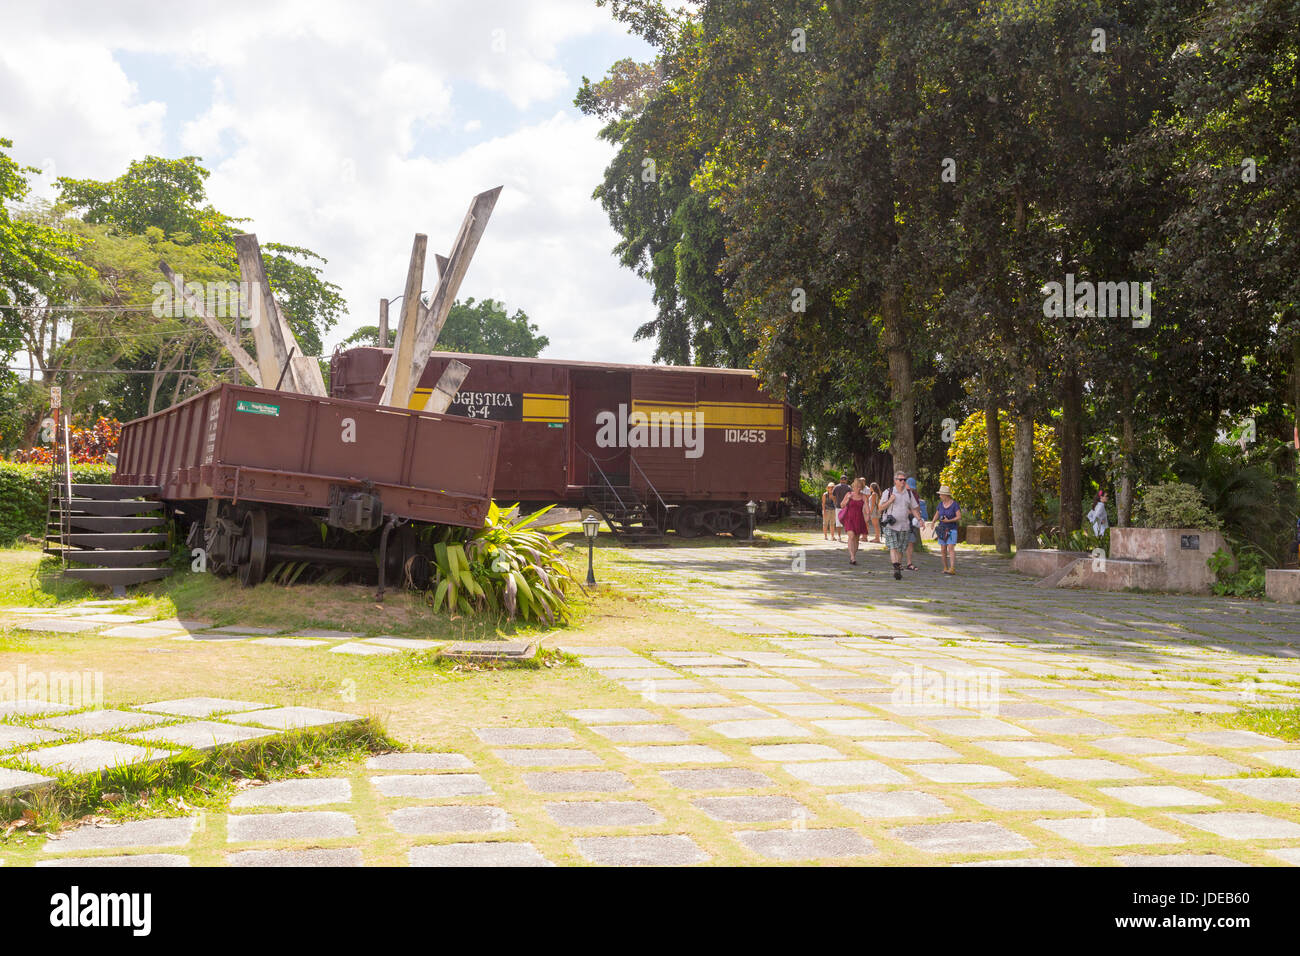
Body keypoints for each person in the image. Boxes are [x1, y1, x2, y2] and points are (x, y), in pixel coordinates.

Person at [879, 472, 924, 580]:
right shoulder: (888, 492)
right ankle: (896, 567)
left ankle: (897, 566)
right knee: (893, 546)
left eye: (904, 480)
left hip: (904, 526)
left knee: (900, 549)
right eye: (901, 480)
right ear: (895, 481)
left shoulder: (908, 494)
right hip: (890, 524)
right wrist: (890, 500)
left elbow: (914, 508)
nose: (903, 482)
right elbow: (880, 508)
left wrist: (919, 519)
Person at [839, 477, 871, 565]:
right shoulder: (849, 494)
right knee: (851, 536)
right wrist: (848, 499)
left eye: (860, 487)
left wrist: (868, 515)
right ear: (853, 487)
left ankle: (854, 555)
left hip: (859, 518)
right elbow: (841, 505)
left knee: (856, 539)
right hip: (849, 518)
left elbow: (867, 507)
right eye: (856, 486)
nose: (858, 488)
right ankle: (852, 557)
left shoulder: (863, 496)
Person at [934, 484, 961, 574]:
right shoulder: (940, 504)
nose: (940, 496)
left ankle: (952, 568)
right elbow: (937, 514)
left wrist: (949, 520)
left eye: (941, 494)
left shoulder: (954, 505)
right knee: (943, 549)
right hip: (942, 529)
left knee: (950, 547)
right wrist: (933, 522)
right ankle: (945, 567)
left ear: (946, 495)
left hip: (952, 529)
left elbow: (959, 517)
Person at [905, 476, 929, 569]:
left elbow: (917, 509)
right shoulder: (901, 494)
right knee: (901, 543)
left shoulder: (915, 495)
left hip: (911, 522)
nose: (910, 489)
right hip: (901, 522)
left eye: (912, 487)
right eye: (909, 487)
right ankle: (897, 563)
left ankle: (909, 563)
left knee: (910, 542)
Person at [831, 474, 852, 543]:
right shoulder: (849, 487)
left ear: (840, 480)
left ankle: (839, 537)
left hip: (838, 507)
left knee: (838, 522)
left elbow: (833, 496)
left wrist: (835, 502)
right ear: (846, 480)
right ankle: (849, 537)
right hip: (847, 507)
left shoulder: (836, 487)